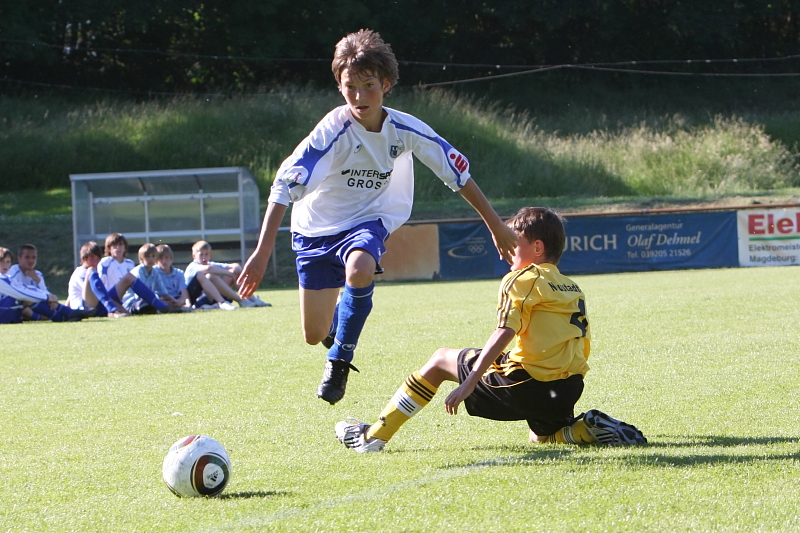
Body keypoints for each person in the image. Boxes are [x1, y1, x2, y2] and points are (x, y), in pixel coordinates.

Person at [236, 29, 518, 405]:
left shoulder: (405, 129)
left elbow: (457, 173)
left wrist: (496, 225)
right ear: (340, 87)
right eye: (350, 87)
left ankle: (339, 362)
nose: (359, 96)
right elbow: (283, 187)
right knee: (313, 333)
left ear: (385, 84)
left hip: (370, 219)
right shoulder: (332, 131)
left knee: (360, 268)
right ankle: (338, 328)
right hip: (315, 229)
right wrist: (262, 253)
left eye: (368, 85)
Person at [335, 207, 647, 452]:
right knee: (542, 437)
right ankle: (586, 429)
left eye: (511, 241)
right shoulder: (571, 286)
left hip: (527, 383)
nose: (502, 249)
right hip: (567, 387)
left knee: (441, 359)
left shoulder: (522, 278)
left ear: (537, 247)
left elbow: (505, 331)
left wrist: (470, 381)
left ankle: (373, 437)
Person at [81, 234, 170, 316]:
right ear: (109, 249)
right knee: (91, 270)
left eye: (120, 245)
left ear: (125, 248)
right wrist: (120, 309)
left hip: (119, 301)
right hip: (101, 301)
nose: (118, 248)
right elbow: (101, 289)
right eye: (114, 246)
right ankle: (111, 309)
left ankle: (162, 306)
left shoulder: (129, 263)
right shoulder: (106, 262)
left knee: (129, 277)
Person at [6, 243, 94, 322]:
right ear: (19, 259)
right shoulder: (13, 273)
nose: (31, 261)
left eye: (34, 257)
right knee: (34, 301)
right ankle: (70, 314)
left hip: (35, 306)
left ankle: (70, 315)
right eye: (27, 257)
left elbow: (45, 292)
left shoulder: (38, 274)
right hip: (20, 307)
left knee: (48, 302)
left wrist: (38, 281)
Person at [184, 240, 267, 310]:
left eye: (206, 254)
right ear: (194, 256)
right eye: (201, 254)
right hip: (199, 299)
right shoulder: (192, 266)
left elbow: (234, 265)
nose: (204, 257)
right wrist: (229, 273)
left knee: (233, 272)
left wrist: (235, 269)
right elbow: (209, 269)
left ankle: (251, 299)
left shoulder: (210, 263)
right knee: (210, 276)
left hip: (213, 296)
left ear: (210, 255)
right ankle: (240, 301)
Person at [155, 244, 192, 310]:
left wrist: (183, 302)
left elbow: (184, 292)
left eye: (166, 257)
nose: (164, 261)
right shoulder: (154, 272)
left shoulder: (179, 273)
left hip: (176, 298)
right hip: (162, 299)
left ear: (171, 259)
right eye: (161, 258)